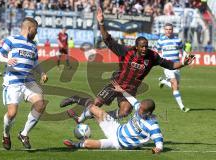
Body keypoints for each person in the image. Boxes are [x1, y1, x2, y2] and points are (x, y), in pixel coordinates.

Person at [60, 8, 195, 123]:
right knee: (96, 104)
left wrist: (183, 63)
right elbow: (108, 40)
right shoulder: (126, 52)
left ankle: (100, 117)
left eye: (146, 47)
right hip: (116, 84)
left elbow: (170, 64)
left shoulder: (152, 56)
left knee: (124, 112)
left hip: (130, 89)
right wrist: (101, 23)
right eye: (142, 47)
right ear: (136, 47)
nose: (144, 49)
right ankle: (77, 106)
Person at [0, 17, 48, 150]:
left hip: (29, 81)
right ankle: (6, 134)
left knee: (40, 104)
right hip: (13, 82)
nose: (36, 32)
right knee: (12, 113)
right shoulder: (11, 40)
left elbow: (35, 63)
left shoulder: (33, 46)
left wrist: (42, 73)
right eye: (35, 29)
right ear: (29, 28)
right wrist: (7, 60)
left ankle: (24, 134)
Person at [63, 81, 163, 154]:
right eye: (139, 108)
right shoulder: (139, 108)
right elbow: (133, 100)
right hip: (116, 128)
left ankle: (75, 145)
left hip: (117, 143)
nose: (139, 110)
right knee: (93, 108)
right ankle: (79, 118)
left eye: (141, 110)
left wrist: (157, 149)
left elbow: (159, 143)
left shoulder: (152, 126)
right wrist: (122, 91)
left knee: (88, 144)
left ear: (149, 112)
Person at [157, 23, 191, 112]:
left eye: (170, 29)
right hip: (167, 65)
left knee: (175, 86)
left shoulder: (178, 40)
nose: (168, 31)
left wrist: (185, 58)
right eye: (167, 29)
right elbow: (157, 52)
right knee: (175, 84)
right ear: (164, 30)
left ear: (172, 30)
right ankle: (182, 107)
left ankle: (163, 81)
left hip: (177, 66)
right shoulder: (160, 41)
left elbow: (183, 50)